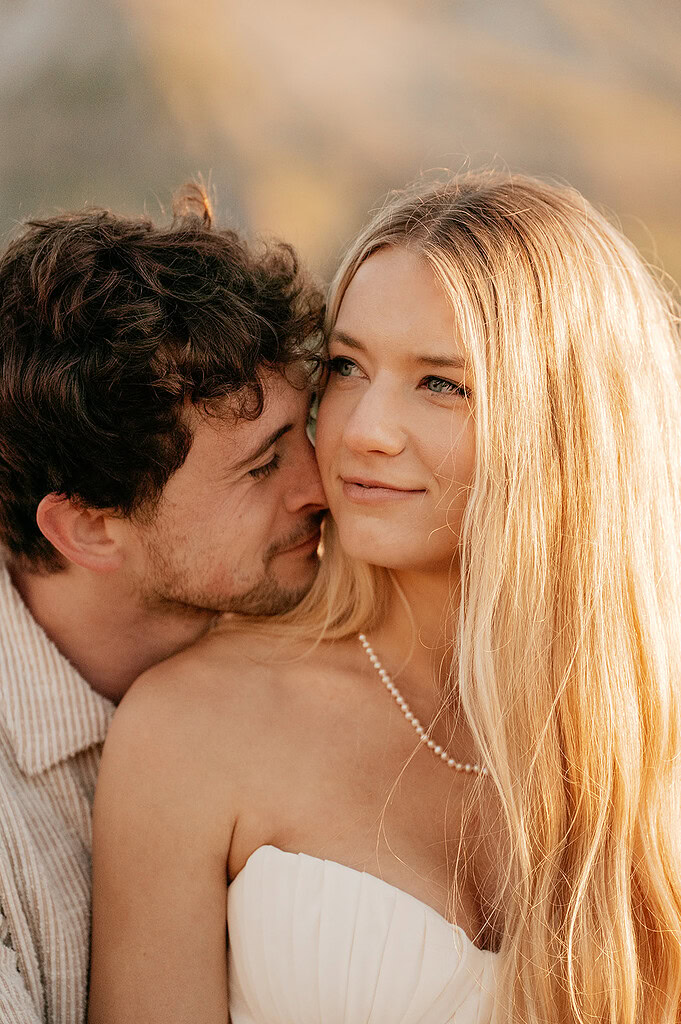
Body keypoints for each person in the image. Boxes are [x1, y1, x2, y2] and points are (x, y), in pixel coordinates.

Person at [88, 173, 681, 1024]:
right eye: (346, 366)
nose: (362, 428)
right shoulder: (197, 722)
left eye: (440, 383)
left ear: (570, 429)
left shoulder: (650, 742)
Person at [0, 184, 327, 1024]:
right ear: (89, 529)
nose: (320, 488)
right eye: (260, 467)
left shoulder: (320, 648)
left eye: (308, 432)